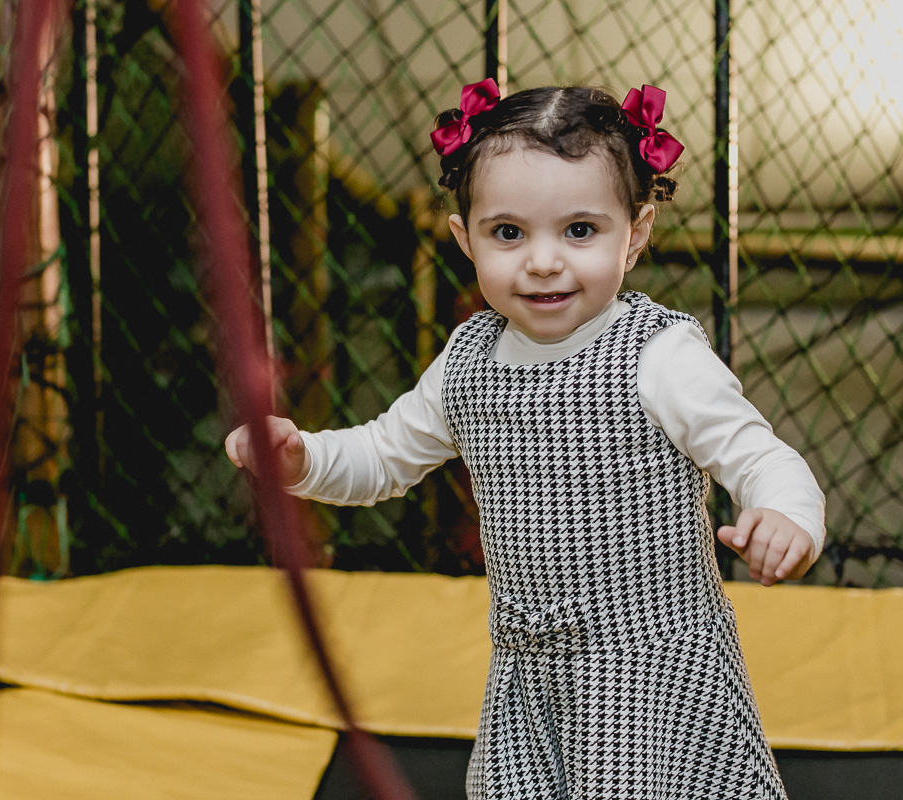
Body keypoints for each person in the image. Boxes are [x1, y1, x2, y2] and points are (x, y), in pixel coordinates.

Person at [226, 80, 824, 799]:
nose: (543, 261)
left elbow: (759, 455)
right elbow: (382, 457)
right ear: (465, 238)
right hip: (526, 676)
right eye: (508, 234)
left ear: (635, 233)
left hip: (649, 673)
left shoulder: (656, 353)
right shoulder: (469, 360)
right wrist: (302, 459)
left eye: (580, 231)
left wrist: (785, 513)